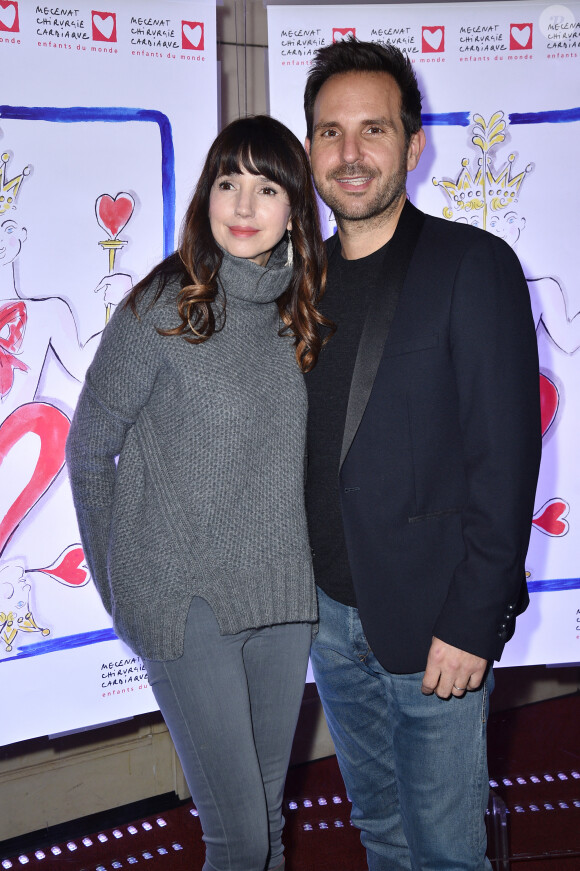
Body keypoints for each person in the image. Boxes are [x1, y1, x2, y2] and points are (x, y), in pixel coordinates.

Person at [66, 115, 329, 871]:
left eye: (267, 186)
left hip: (282, 604)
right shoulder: (164, 306)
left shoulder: (298, 311)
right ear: (205, 194)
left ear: (293, 209)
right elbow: (89, 447)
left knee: (271, 831)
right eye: (227, 181)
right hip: (189, 609)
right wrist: (126, 595)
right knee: (239, 840)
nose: (243, 205)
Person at [303, 40, 541, 871]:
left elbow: (506, 464)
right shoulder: (301, 281)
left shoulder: (472, 266)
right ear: (310, 153)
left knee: (445, 853)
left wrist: (473, 623)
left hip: (438, 623)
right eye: (330, 133)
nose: (351, 153)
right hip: (329, 620)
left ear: (413, 143)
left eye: (374, 129)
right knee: (381, 833)